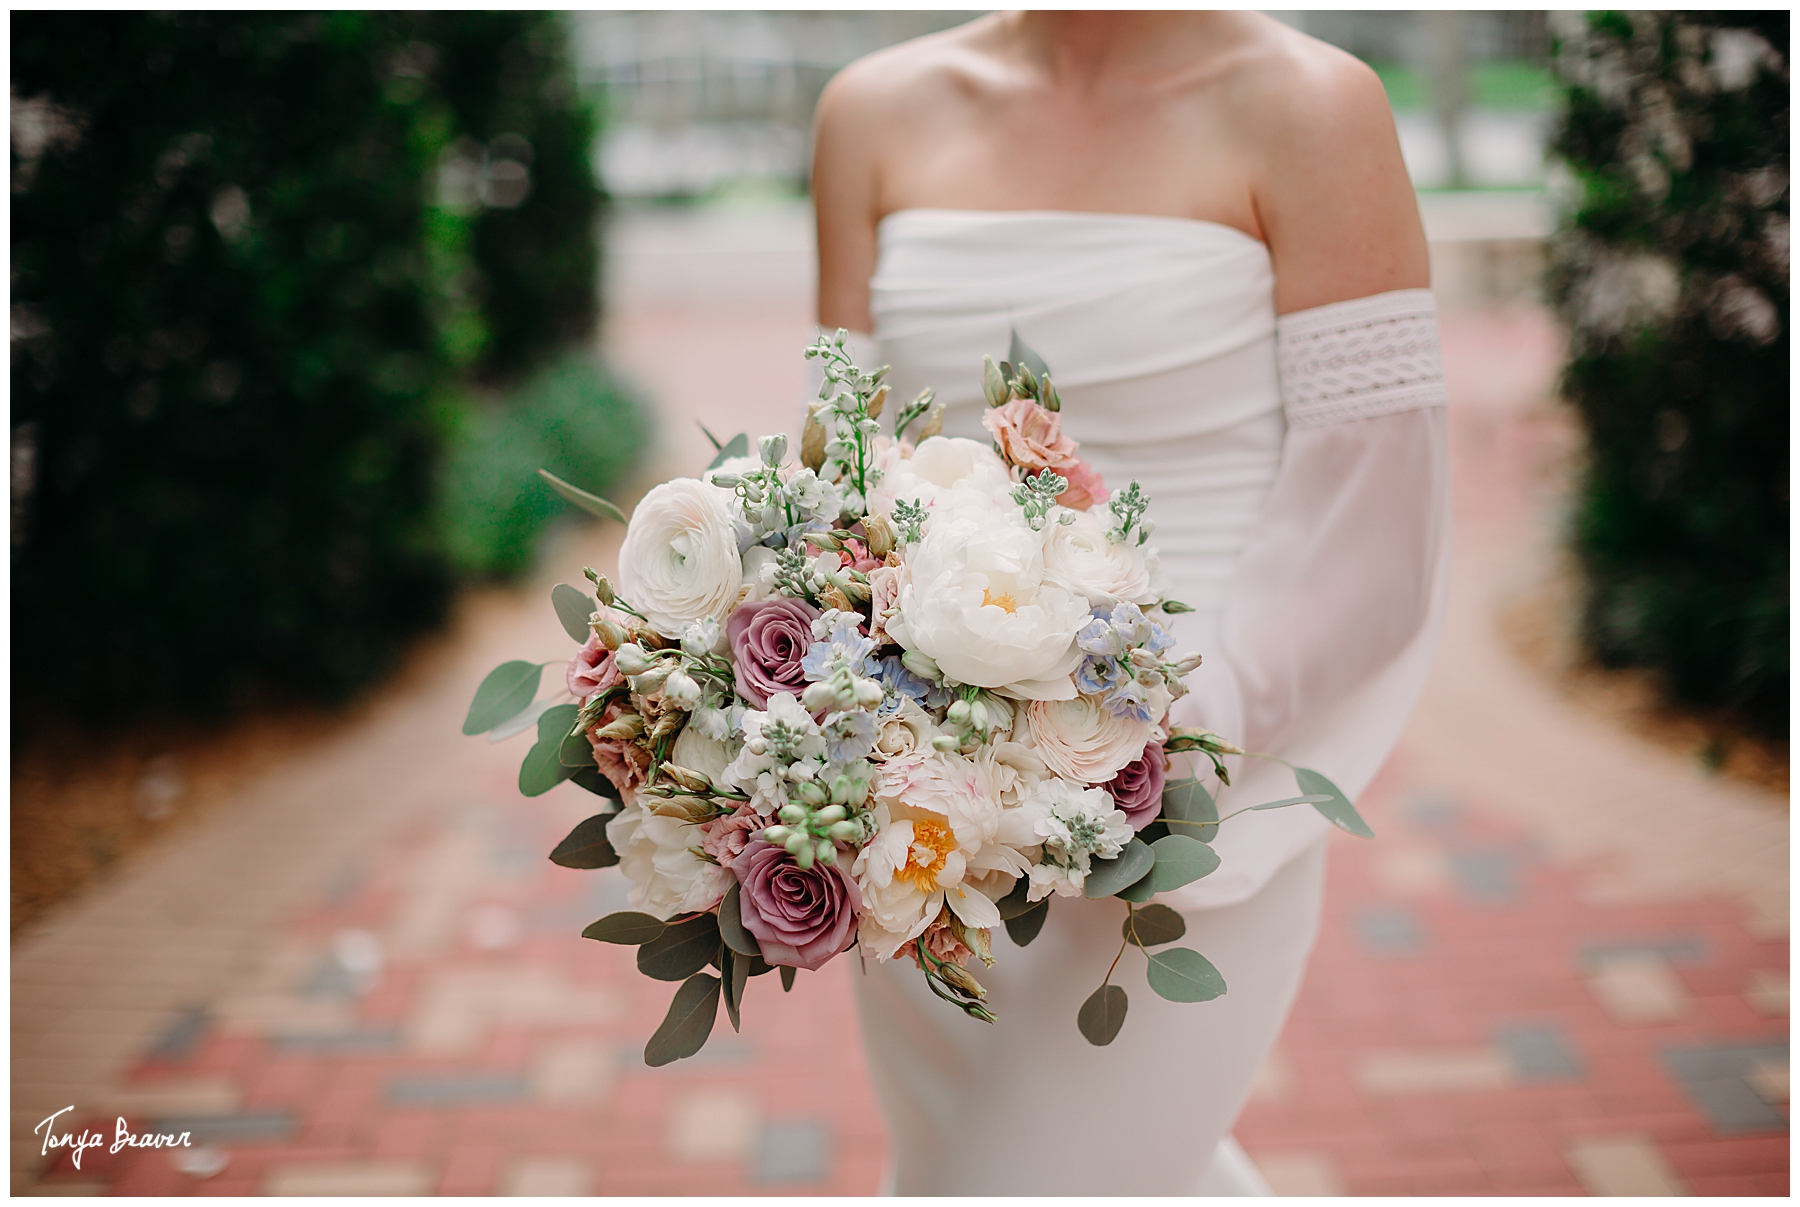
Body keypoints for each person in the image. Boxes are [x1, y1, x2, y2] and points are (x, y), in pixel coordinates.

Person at [811, 12, 1451, 1196]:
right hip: (919, 810)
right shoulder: (870, 112)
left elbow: (1376, 509)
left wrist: (1153, 743)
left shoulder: (1315, 107)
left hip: (1196, 782)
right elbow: (838, 457)